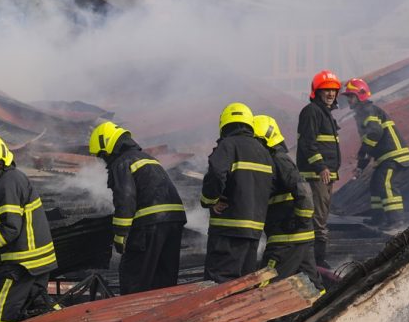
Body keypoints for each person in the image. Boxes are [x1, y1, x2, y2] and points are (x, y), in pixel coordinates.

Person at [0, 134, 57, 322]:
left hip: (24, 261)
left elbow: (11, 229)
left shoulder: (6, 183)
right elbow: (9, 219)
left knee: (1, 308)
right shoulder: (11, 178)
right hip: (40, 259)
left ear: (1, 161)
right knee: (37, 305)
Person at [88, 121, 186, 295]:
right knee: (164, 279)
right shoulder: (148, 158)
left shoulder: (122, 162)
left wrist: (120, 234)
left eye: (102, 155)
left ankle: (133, 317)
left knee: (135, 277)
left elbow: (125, 198)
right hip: (174, 222)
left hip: (149, 225)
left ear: (108, 147)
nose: (104, 161)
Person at [201, 102, 273, 283]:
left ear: (224, 125)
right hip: (254, 231)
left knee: (219, 283)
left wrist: (210, 200)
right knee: (244, 282)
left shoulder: (228, 145)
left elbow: (216, 173)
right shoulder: (263, 151)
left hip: (228, 229)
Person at [252, 115, 323, 293]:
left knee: (266, 284)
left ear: (264, 139)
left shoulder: (277, 159)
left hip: (286, 237)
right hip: (298, 236)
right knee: (312, 284)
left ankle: (265, 321)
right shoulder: (274, 159)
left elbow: (303, 190)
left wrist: (299, 220)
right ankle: (321, 313)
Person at [341, 78, 409, 231]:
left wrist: (363, 149)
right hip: (385, 158)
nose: (349, 101)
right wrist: (361, 166)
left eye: (351, 97)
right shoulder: (362, 113)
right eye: (348, 97)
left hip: (393, 156)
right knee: (375, 185)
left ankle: (396, 220)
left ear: (360, 95)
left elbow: (375, 133)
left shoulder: (368, 110)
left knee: (386, 184)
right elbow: (370, 143)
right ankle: (378, 218)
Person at [297, 70, 342, 267]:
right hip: (317, 175)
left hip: (325, 174)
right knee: (318, 219)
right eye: (326, 90)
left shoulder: (325, 114)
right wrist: (321, 166)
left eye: (334, 90)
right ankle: (317, 262)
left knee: (320, 217)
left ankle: (315, 260)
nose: (331, 94)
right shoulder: (312, 112)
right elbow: (308, 143)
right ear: (317, 92)